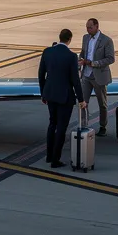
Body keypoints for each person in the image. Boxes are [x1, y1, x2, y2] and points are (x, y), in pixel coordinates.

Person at [38, 28, 87, 168]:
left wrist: (43, 93)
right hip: (64, 97)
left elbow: (41, 74)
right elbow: (75, 80)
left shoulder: (47, 52)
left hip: (50, 94)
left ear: (59, 38)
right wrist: (81, 99)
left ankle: (49, 155)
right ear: (69, 39)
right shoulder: (71, 56)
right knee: (61, 127)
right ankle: (55, 159)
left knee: (52, 123)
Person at [78, 18, 115, 136]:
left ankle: (103, 125)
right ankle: (84, 125)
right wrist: (80, 60)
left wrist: (93, 63)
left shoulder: (106, 40)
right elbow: (83, 52)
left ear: (97, 26)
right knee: (83, 102)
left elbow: (110, 58)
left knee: (102, 103)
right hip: (86, 75)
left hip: (99, 76)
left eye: (90, 27)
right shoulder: (85, 37)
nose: (88, 30)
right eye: (87, 27)